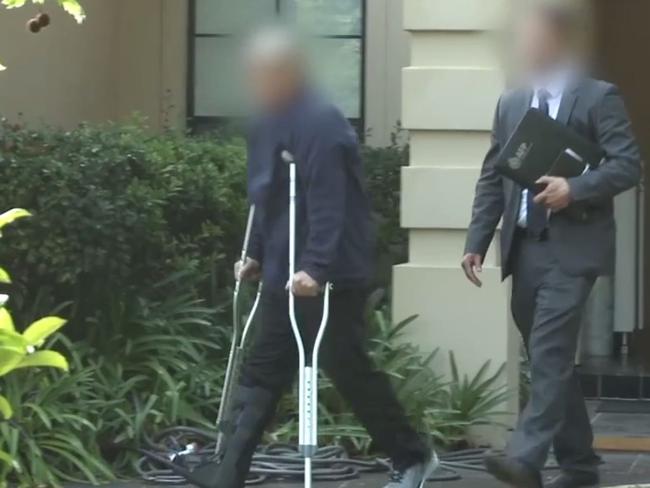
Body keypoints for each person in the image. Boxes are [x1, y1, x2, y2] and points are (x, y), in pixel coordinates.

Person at [189, 27, 437, 488]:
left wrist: (317, 268)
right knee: (263, 365)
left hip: (330, 273)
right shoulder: (265, 121)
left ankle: (413, 457)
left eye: (265, 72)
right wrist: (256, 254)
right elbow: (266, 195)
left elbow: (330, 201)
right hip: (284, 270)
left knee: (347, 368)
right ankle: (229, 471)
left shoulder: (320, 121)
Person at [462, 3, 641, 488]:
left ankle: (525, 458)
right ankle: (581, 468)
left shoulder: (598, 97)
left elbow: (628, 165)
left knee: (548, 352)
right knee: (550, 360)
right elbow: (491, 176)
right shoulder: (512, 101)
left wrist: (574, 189)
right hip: (525, 250)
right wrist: (477, 240)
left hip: (574, 249)